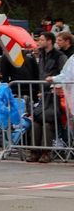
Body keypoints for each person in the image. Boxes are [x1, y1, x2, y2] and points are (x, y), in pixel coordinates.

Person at [27, 31, 68, 162]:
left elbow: (65, 74)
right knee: (35, 121)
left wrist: (57, 87)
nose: (38, 42)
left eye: (41, 39)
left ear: (49, 41)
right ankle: (34, 151)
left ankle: (46, 152)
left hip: (56, 95)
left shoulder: (60, 56)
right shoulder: (41, 55)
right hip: (43, 95)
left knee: (48, 122)